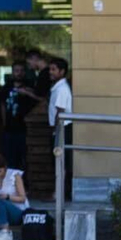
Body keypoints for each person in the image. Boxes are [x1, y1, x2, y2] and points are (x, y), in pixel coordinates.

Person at [47, 57, 73, 202]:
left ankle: (60, 194)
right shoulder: (58, 87)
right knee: (59, 161)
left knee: (60, 161)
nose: (50, 72)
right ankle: (59, 192)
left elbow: (60, 112)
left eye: (54, 69)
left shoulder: (62, 89)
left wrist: (56, 130)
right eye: (50, 69)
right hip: (60, 127)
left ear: (62, 72)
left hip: (63, 128)